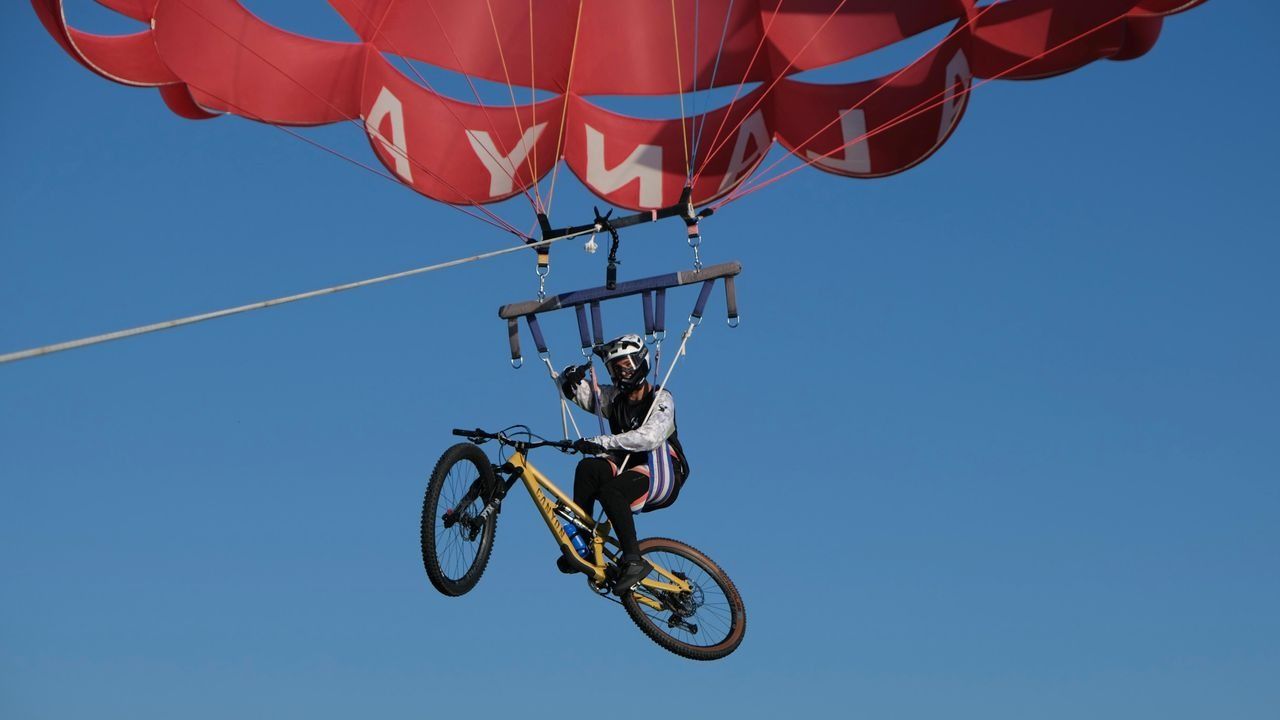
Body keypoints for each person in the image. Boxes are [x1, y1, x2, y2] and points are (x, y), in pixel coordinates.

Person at [558, 334, 689, 594]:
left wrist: (603, 442)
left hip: (661, 470)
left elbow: (650, 437)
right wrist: (569, 377)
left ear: (640, 363)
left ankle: (633, 560)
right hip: (627, 466)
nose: (621, 373)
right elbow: (581, 394)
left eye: (626, 366)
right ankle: (583, 543)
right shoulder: (615, 398)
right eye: (615, 368)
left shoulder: (662, 400)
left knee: (612, 492)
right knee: (588, 469)